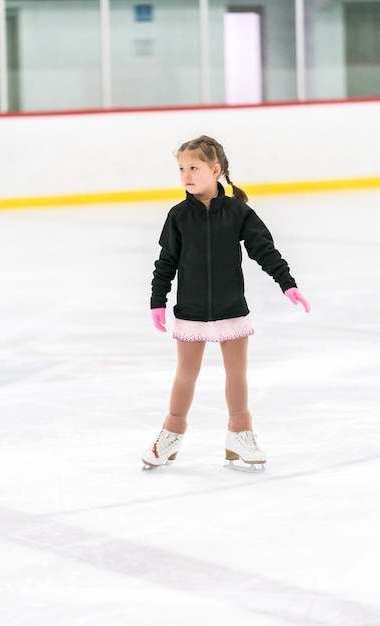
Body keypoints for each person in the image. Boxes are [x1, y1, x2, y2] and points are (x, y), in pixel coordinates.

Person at [142, 135, 310, 469]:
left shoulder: (237, 212)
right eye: (181, 169)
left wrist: (286, 283)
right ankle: (171, 434)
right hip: (190, 309)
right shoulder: (178, 216)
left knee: (236, 373)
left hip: (231, 306)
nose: (186, 174)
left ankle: (240, 433)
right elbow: (166, 262)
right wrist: (157, 301)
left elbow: (264, 249)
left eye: (194, 167)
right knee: (186, 375)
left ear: (215, 169)